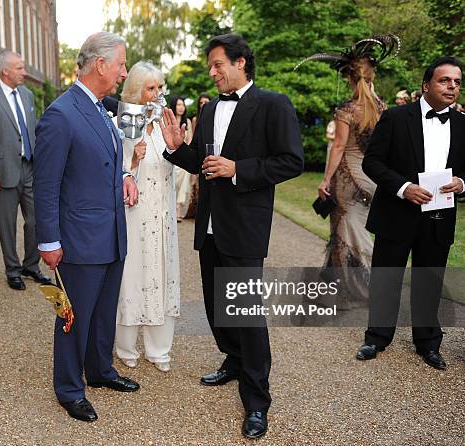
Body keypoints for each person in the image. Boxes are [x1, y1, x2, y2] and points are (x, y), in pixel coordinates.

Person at [160, 33, 304, 439]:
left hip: (244, 226)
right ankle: (233, 360)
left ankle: (257, 401)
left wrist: (237, 169)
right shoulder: (208, 110)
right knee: (216, 304)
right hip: (210, 226)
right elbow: (202, 162)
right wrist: (176, 149)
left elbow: (291, 161)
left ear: (241, 62)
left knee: (247, 313)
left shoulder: (273, 104)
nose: (212, 71)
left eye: (217, 64)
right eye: (211, 65)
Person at [33, 32, 140, 423]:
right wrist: (48, 241)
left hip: (111, 235)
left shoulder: (98, 109)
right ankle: (69, 389)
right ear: (100, 65)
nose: (123, 72)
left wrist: (127, 173)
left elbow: (106, 162)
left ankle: (99, 371)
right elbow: (45, 185)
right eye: (121, 64)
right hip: (78, 240)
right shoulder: (61, 114)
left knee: (102, 313)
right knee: (72, 318)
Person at [356, 56, 464, 370]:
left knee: (430, 278)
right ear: (426, 85)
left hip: (440, 215)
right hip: (397, 212)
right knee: (386, 276)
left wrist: (462, 182)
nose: (452, 87)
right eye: (445, 80)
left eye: (456, 82)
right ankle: (377, 337)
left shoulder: (462, 124)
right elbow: (372, 162)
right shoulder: (395, 118)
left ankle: (428, 343)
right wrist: (404, 188)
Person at [301, 35, 399, 307]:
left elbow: (339, 146)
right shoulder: (383, 109)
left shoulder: (347, 110)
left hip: (348, 177)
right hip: (373, 179)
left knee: (344, 232)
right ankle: (353, 286)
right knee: (361, 230)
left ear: (352, 79)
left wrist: (326, 179)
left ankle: (354, 292)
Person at [114, 61, 180, 373]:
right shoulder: (124, 123)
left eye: (159, 88)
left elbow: (175, 164)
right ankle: (126, 346)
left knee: (162, 274)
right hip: (135, 212)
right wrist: (133, 158)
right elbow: (117, 172)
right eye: (150, 88)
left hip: (163, 213)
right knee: (134, 276)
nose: (155, 94)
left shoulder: (165, 122)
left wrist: (177, 147)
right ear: (136, 91)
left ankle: (159, 348)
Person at [0, 50, 50, 290]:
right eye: (20, 68)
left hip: (30, 168)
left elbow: (33, 129)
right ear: (5, 71)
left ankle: (31, 265)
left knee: (36, 220)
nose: (24, 72)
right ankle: (12, 269)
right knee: (6, 224)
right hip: (2, 172)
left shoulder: (27, 95)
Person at [170, 96, 193, 221]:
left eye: (182, 105)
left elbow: (189, 140)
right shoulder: (168, 120)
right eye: (178, 105)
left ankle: (178, 208)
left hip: (183, 157)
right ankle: (172, 207)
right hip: (172, 156)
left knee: (184, 176)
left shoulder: (188, 122)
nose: (181, 107)